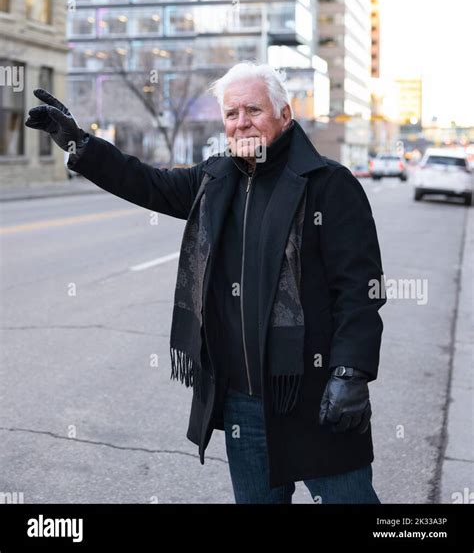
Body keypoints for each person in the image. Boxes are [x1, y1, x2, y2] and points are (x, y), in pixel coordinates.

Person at [25, 62, 386, 504]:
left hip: (312, 394)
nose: (241, 122)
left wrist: (350, 372)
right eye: (231, 114)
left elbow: (360, 292)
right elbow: (149, 183)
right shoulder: (216, 179)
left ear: (285, 115)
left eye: (253, 109)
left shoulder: (329, 185)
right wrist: (81, 144)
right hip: (242, 403)